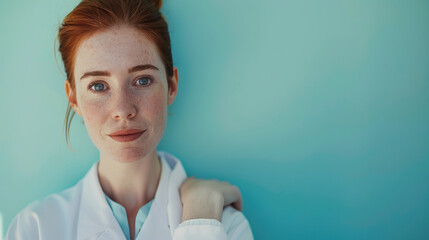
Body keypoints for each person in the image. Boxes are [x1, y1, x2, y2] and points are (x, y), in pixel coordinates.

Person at [4, 0, 254, 239]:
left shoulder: (226, 226)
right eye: (98, 86)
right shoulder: (34, 229)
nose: (123, 109)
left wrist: (200, 222)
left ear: (171, 85)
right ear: (74, 98)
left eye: (142, 80)